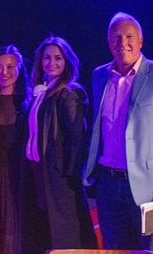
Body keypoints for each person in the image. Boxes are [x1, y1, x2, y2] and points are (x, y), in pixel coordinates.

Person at [83, 12, 153, 254]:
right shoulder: (100, 75)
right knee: (112, 250)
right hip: (107, 184)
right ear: (109, 42)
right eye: (116, 38)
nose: (123, 43)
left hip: (150, 187)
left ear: (141, 41)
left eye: (129, 36)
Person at [25, 36, 94, 249]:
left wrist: (70, 175)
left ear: (67, 62)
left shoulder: (69, 93)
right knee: (49, 232)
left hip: (61, 176)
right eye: (46, 57)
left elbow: (77, 140)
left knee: (66, 233)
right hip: (41, 172)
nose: (51, 62)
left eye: (58, 58)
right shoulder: (42, 91)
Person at [0, 45, 31, 254]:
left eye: (11, 66)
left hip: (15, 175)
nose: (4, 72)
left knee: (11, 231)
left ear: (19, 70)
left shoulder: (29, 101)